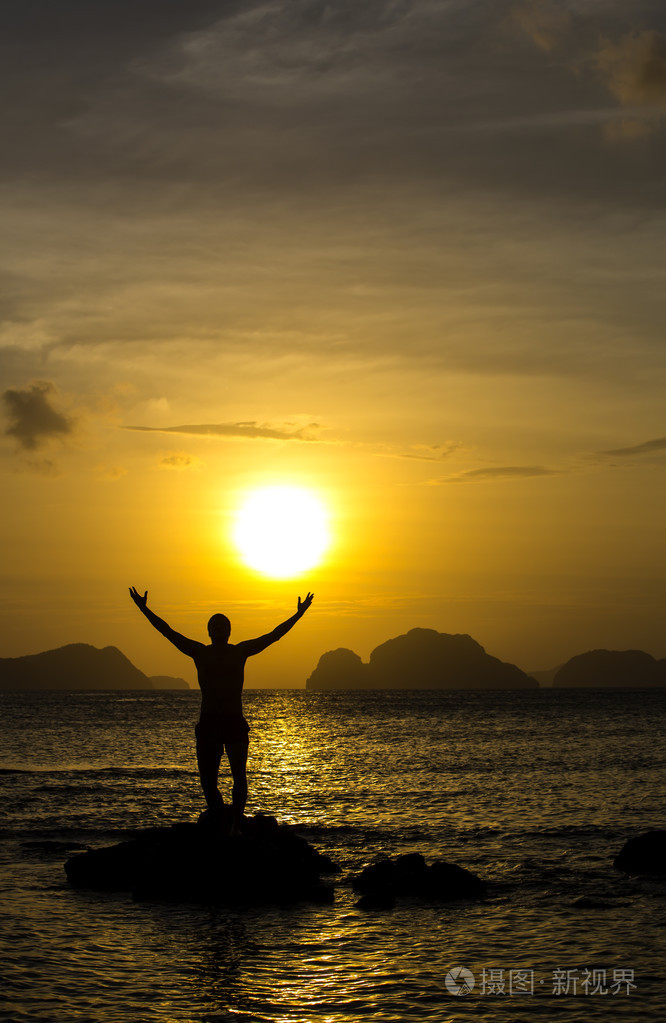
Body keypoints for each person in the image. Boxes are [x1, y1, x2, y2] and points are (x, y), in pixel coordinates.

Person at [128, 586, 314, 834]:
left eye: (222, 626)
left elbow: (273, 635)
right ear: (208, 632)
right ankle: (219, 820)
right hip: (209, 722)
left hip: (233, 720)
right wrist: (143, 608)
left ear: (229, 631)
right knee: (208, 781)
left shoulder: (240, 652)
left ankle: (236, 824)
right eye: (213, 627)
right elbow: (167, 632)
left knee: (239, 776)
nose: (218, 630)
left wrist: (298, 614)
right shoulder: (199, 652)